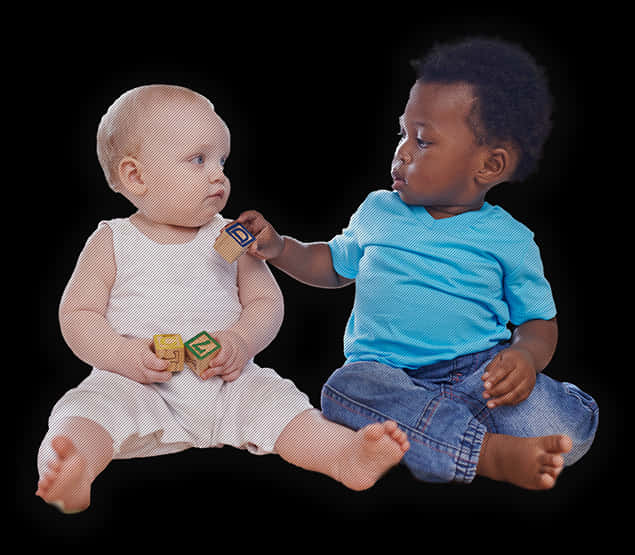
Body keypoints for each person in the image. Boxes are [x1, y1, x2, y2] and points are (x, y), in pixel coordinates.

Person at [236, 37, 598, 490]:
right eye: (402, 133)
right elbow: (331, 265)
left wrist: (524, 357)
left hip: (478, 374)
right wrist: (281, 247)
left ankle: (440, 434)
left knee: (568, 433)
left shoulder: (510, 238)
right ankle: (486, 454)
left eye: (423, 140)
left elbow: (539, 322)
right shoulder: (378, 211)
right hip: (387, 376)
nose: (402, 152)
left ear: (488, 165)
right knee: (343, 392)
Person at [35, 84, 410, 513]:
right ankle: (71, 469)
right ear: (136, 176)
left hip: (227, 382)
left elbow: (264, 302)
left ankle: (344, 456)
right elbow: (78, 315)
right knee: (84, 411)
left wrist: (241, 342)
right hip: (137, 384)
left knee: (281, 406)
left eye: (221, 161)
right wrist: (120, 354)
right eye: (198, 160)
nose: (219, 175)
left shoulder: (228, 238)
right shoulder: (113, 241)